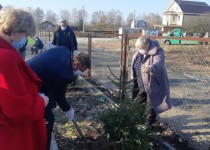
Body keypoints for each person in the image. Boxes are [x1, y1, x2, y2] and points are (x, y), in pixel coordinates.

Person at [0, 7, 49, 150]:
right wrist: (40, 101)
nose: (25, 40)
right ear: (16, 32)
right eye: (25, 35)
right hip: (14, 136)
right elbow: (16, 106)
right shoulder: (5, 57)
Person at [27, 47, 91, 150]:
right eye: (80, 70)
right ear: (76, 64)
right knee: (48, 118)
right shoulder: (64, 73)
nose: (79, 74)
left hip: (32, 72)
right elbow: (59, 96)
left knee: (50, 102)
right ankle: (44, 146)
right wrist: (68, 109)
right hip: (29, 82)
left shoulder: (64, 51)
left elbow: (54, 88)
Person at [131, 36, 172, 126]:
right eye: (138, 48)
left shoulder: (158, 51)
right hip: (140, 82)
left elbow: (159, 61)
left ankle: (150, 123)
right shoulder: (139, 51)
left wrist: (151, 67)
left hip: (152, 83)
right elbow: (134, 64)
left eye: (142, 48)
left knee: (152, 103)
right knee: (140, 100)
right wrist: (132, 73)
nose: (140, 50)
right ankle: (138, 119)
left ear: (149, 45)